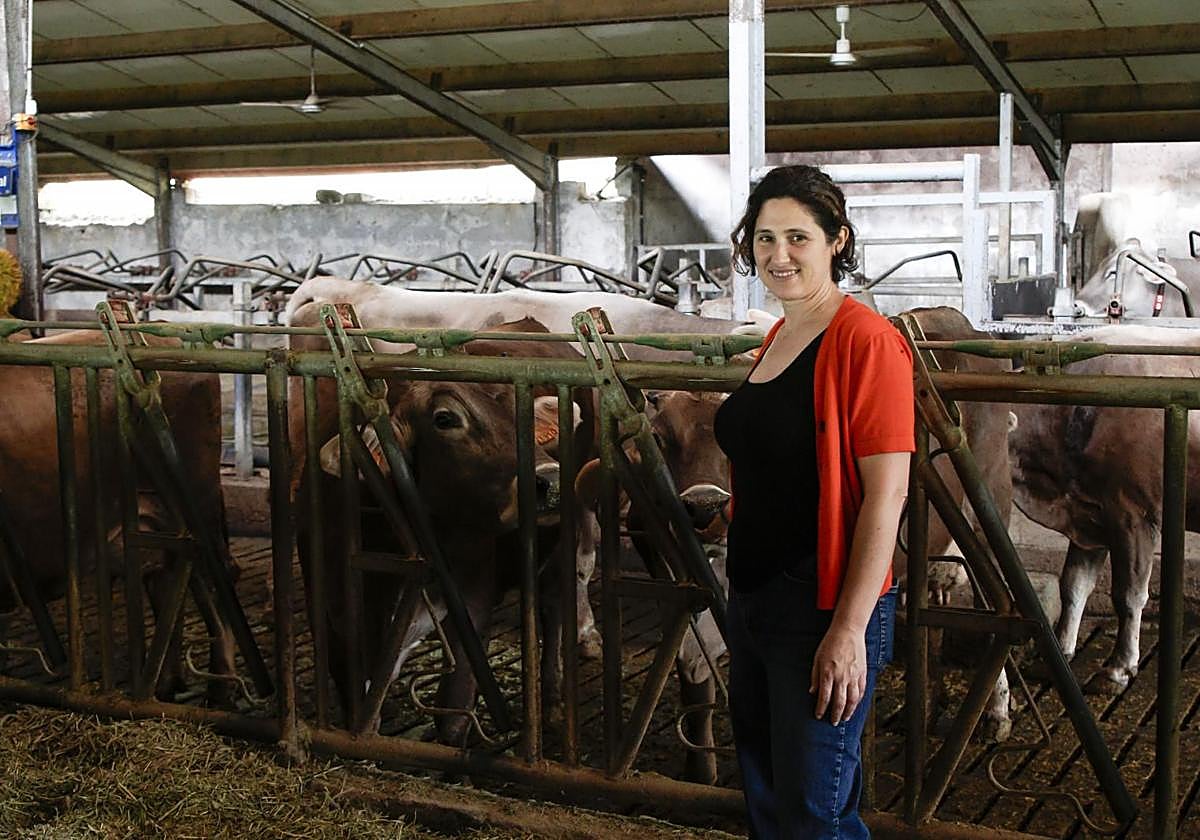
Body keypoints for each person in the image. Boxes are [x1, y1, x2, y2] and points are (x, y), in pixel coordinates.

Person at [714, 164, 914, 839]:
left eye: (798, 237)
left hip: (821, 605)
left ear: (838, 241)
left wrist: (850, 631)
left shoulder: (866, 341)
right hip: (754, 599)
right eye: (764, 239)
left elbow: (887, 498)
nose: (778, 256)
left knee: (814, 810)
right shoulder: (777, 337)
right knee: (769, 795)